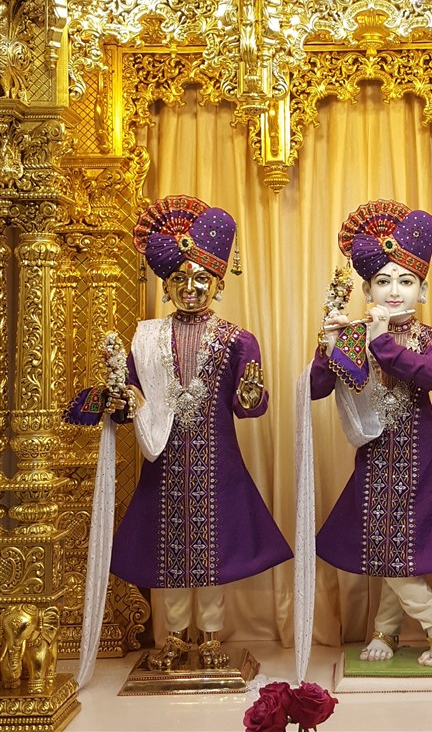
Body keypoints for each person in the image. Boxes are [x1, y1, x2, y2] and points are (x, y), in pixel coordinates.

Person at [66, 195, 292, 671]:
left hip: (217, 464)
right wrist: (117, 397)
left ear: (219, 283)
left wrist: (251, 392)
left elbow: (250, 408)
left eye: (201, 279)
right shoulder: (146, 337)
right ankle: (171, 638)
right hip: (163, 459)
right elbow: (129, 397)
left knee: (213, 552)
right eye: (179, 279)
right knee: (166, 553)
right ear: (166, 284)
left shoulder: (238, 339)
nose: (190, 288)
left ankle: (209, 638)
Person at [310, 200, 432, 666]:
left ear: (423, 289)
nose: (394, 291)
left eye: (406, 281)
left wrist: (383, 344)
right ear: (367, 288)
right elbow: (316, 389)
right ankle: (403, 627)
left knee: (399, 543)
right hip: (373, 457)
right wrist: (326, 347)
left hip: (420, 459)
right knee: (385, 543)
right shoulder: (353, 335)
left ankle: (428, 622)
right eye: (383, 281)